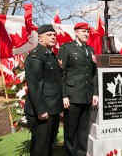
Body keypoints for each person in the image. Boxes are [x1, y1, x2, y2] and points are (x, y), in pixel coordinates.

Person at [57, 22, 98, 156]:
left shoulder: (91, 50)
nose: (86, 34)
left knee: (83, 130)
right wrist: (64, 95)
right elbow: (61, 74)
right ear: (76, 32)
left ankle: (81, 153)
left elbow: (94, 74)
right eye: (83, 32)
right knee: (70, 131)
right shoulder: (66, 48)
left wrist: (95, 93)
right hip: (72, 96)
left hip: (86, 96)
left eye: (87, 32)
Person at [24, 24, 63, 156]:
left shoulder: (51, 55)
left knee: (50, 145)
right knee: (40, 148)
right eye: (49, 35)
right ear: (40, 39)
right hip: (42, 111)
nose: (53, 37)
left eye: (54, 35)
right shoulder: (36, 56)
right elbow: (35, 86)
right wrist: (41, 110)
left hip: (53, 109)